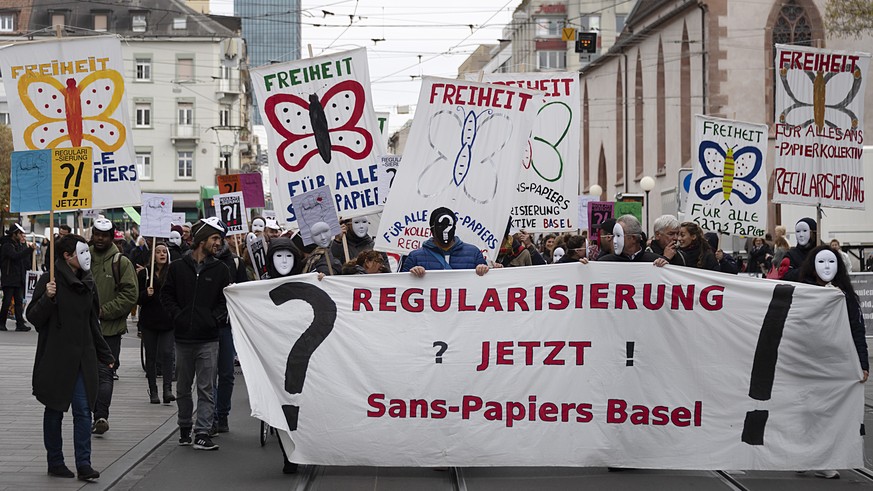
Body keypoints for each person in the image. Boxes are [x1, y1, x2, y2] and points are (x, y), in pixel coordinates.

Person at [26, 234, 114, 481]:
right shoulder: (49, 280)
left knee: (84, 411)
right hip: (56, 356)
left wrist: (104, 352)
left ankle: (84, 464)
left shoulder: (88, 282)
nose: (86, 256)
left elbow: (92, 322)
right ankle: (55, 461)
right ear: (67, 256)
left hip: (82, 357)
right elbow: (33, 317)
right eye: (81, 251)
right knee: (54, 409)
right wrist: (48, 298)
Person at [798, 245, 869, 479]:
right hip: (806, 359)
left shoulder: (846, 295)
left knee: (828, 411)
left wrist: (862, 362)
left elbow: (857, 328)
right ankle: (804, 454)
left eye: (832, 263)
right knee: (806, 410)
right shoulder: (803, 290)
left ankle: (822, 458)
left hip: (835, 361)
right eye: (821, 262)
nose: (826, 268)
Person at [160, 217, 231, 451]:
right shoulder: (178, 268)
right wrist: (177, 316)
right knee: (182, 388)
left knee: (206, 388)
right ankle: (183, 427)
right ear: (201, 240)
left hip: (209, 340)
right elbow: (166, 295)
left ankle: (202, 432)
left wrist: (213, 319)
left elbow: (224, 301)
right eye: (214, 238)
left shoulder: (221, 270)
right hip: (182, 340)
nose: (219, 243)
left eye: (219, 239)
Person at [90, 218, 138, 436]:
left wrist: (104, 311)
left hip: (109, 330)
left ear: (112, 237)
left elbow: (130, 294)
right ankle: (89, 414)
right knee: (86, 375)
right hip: (83, 329)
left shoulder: (121, 262)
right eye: (97, 234)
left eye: (105, 235)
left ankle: (101, 416)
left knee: (105, 374)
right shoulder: (81, 257)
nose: (100, 239)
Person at [213, 237, 249, 434]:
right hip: (206, 325)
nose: (216, 242)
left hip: (227, 324)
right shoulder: (198, 261)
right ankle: (211, 415)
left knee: (225, 373)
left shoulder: (235, 261)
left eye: (219, 238)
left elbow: (244, 291)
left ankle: (222, 414)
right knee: (208, 375)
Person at [137, 242, 176, 405]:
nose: (162, 254)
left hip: (168, 320)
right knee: (151, 356)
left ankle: (168, 389)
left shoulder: (173, 272)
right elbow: (136, 299)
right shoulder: (145, 274)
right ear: (153, 255)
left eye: (164, 252)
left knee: (167, 353)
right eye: (158, 251)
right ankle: (153, 391)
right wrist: (146, 294)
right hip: (149, 321)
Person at [400, 207, 489, 277]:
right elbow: (401, 285)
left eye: (448, 225)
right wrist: (411, 274)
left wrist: (483, 270)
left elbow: (487, 283)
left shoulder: (473, 253)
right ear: (432, 229)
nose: (445, 230)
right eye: (440, 226)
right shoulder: (415, 257)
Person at [580, 215, 667, 266]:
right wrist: (587, 269)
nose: (614, 240)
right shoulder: (605, 262)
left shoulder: (654, 261)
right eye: (614, 235)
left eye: (618, 235)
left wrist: (664, 266)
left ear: (633, 238)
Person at [0, 223, 36, 331]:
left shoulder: (18, 244)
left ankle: (20, 324)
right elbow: (15, 256)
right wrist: (29, 250)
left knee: (19, 301)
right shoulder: (7, 245)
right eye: (20, 233)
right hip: (9, 277)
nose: (21, 235)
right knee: (7, 301)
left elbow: (23, 260)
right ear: (14, 233)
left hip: (18, 277)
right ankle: (1, 323)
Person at [783, 217, 818, 281]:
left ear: (814, 232)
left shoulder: (823, 251)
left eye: (805, 231)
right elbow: (785, 274)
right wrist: (806, 270)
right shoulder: (791, 254)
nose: (801, 235)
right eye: (798, 231)